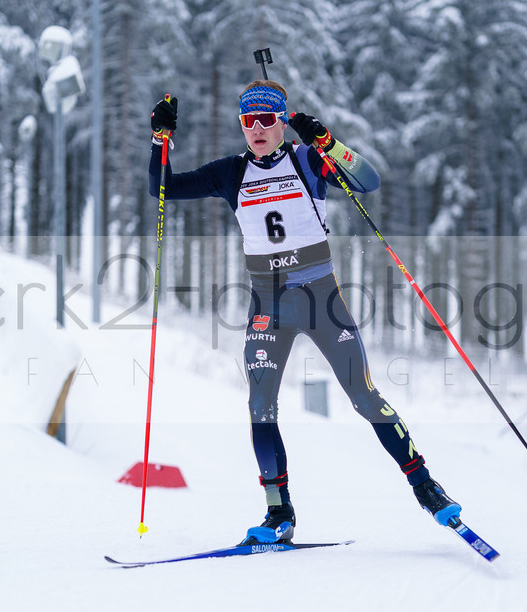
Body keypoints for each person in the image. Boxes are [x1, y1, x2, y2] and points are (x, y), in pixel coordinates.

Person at [147, 81, 461, 544]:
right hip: (268, 304)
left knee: (364, 396)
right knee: (260, 406)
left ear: (281, 121)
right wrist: (160, 139)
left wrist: (327, 142)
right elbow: (163, 189)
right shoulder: (231, 172)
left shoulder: (306, 161)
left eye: (266, 120)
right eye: (248, 121)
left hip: (320, 298)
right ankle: (279, 512)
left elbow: (368, 181)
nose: (256, 129)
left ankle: (426, 488)